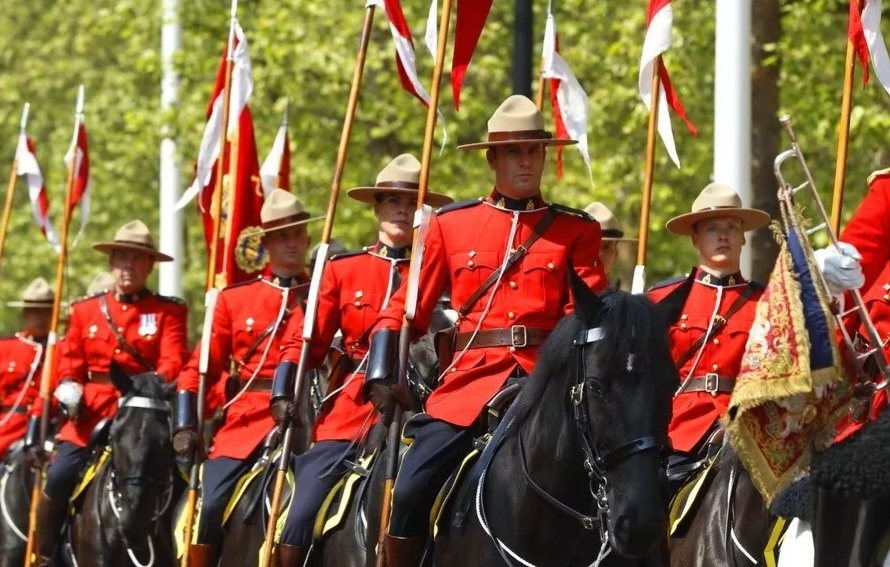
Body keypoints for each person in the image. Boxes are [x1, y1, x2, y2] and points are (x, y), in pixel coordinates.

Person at [364, 95, 608, 566]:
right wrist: (378, 373)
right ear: (492, 158)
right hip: (470, 385)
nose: (525, 161)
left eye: (533, 151)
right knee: (411, 486)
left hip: (546, 384)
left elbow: (591, 317)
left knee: (623, 481)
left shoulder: (577, 230)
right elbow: (403, 310)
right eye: (514, 151)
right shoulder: (451, 226)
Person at [269, 154, 453, 565]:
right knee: (300, 514)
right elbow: (304, 340)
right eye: (392, 201)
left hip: (429, 406)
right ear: (377, 208)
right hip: (354, 410)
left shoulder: (444, 268)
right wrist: (283, 391)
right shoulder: (342, 270)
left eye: (411, 202)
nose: (402, 210)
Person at [25, 220, 189, 567]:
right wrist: (69, 390)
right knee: (58, 476)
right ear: (111, 263)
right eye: (121, 257)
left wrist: (146, 390)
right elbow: (69, 361)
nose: (128, 265)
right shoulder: (85, 310)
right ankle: (45, 555)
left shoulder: (168, 311)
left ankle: (181, 549)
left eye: (137, 259)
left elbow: (173, 360)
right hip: (93, 412)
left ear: (149, 265)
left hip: (145, 412)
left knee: (185, 474)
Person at [174, 189, 319, 567]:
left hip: (313, 414)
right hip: (248, 420)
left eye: (298, 234)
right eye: (281, 236)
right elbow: (198, 369)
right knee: (209, 503)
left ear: (307, 239)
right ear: (266, 243)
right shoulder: (234, 300)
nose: (291, 242)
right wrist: (185, 423)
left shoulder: (322, 293)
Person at [646, 183, 770, 490]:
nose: (724, 235)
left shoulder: (768, 302)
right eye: (713, 228)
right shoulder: (663, 298)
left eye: (732, 227)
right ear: (695, 238)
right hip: (682, 430)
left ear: (743, 236)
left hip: (747, 429)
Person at [0, 278, 55, 460]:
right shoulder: (6, 347)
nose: (40, 318)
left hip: (49, 425)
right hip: (9, 425)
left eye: (46, 312)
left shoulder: (62, 348)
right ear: (25, 314)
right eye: (34, 312)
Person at [583, 201, 638, 279]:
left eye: (607, 247)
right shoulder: (561, 290)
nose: (599, 254)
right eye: (592, 246)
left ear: (615, 255)